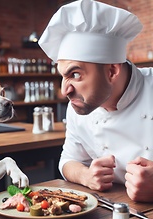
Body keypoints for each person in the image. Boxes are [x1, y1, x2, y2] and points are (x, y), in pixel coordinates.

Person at [38, 0, 153, 203]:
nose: (65, 90)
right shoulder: (77, 107)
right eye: (62, 76)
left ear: (111, 71)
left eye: (75, 74)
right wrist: (86, 176)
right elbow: (68, 161)